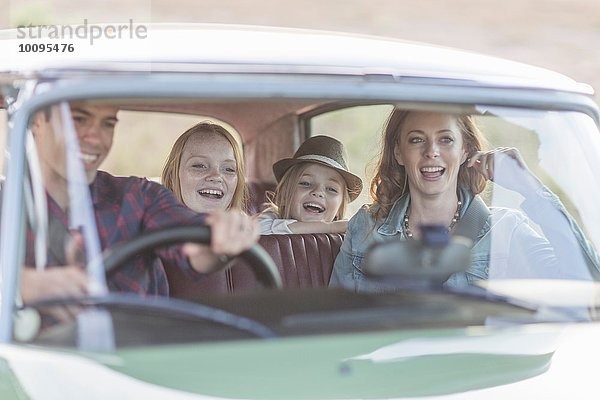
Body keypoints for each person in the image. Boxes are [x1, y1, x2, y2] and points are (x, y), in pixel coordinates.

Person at [19, 101, 258, 322]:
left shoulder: (139, 196)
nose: (94, 137)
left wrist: (217, 239)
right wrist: (20, 285)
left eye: (108, 123)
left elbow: (192, 243)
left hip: (138, 357)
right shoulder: (8, 203)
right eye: (78, 120)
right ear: (38, 120)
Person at [329, 109, 600, 292]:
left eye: (446, 140)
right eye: (416, 140)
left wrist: (530, 188)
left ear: (465, 151)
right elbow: (335, 318)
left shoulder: (507, 229)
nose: (431, 152)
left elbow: (588, 281)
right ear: (399, 153)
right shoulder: (365, 227)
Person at [258, 135, 363, 234]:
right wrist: (329, 227)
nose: (317, 192)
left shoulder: (345, 234)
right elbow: (258, 229)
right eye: (305, 183)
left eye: (331, 189)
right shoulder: (271, 218)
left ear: (339, 210)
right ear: (284, 195)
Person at [161, 122, 247, 213]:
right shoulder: (149, 224)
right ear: (172, 176)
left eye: (229, 169)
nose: (216, 176)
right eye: (200, 166)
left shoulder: (253, 226)